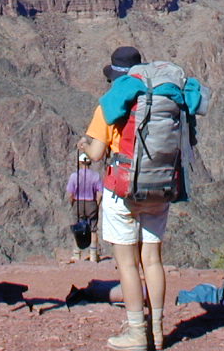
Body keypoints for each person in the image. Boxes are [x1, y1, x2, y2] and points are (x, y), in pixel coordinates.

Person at [79, 45, 208, 351]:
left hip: (122, 191)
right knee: (152, 260)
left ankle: (137, 333)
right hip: (160, 186)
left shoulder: (111, 103)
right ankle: (159, 331)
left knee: (127, 265)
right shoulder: (165, 98)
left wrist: (83, 145)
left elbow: (96, 153)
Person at [66, 151, 103, 262]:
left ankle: (77, 254)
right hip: (91, 202)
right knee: (93, 229)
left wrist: (72, 203)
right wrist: (96, 204)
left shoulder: (74, 176)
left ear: (80, 162)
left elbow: (70, 194)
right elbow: (100, 192)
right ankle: (93, 254)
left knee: (77, 227)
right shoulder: (96, 176)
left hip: (78, 203)